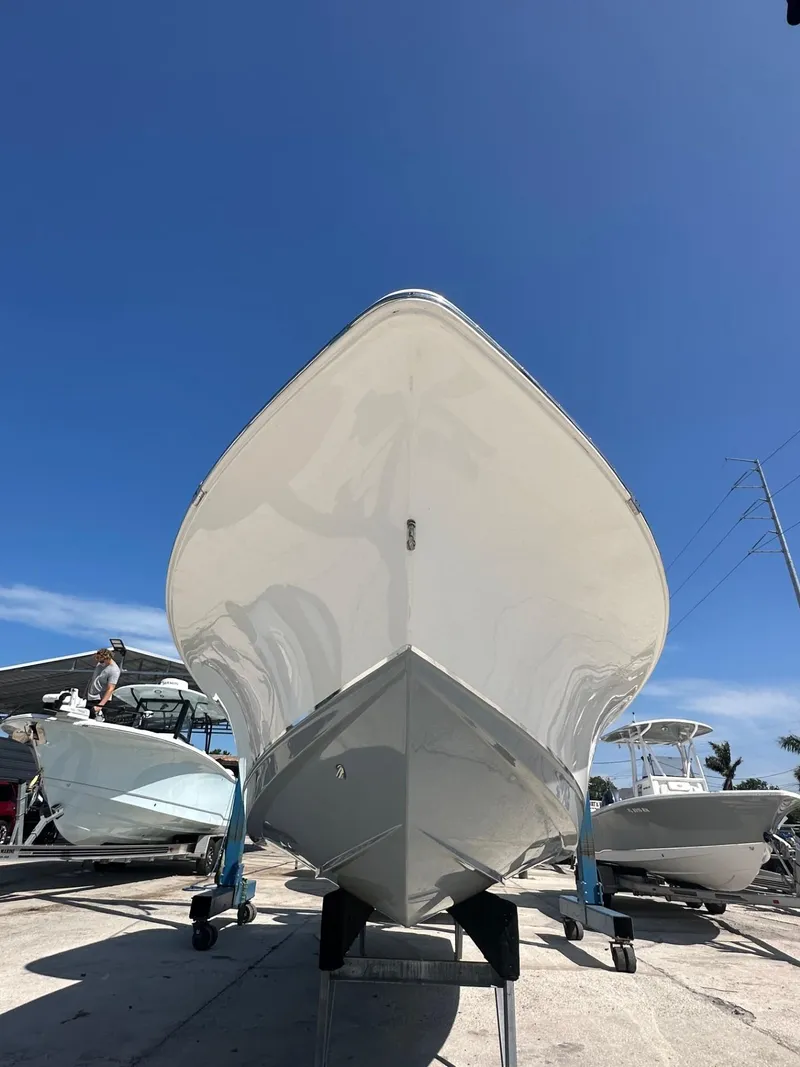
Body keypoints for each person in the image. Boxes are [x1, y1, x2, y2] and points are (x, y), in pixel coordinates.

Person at [85, 648, 121, 719]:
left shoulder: (114, 670)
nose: (99, 662)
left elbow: (110, 689)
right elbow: (94, 680)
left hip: (99, 700)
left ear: (107, 658)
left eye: (101, 660)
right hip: (90, 698)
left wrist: (100, 706)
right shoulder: (100, 664)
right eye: (98, 659)